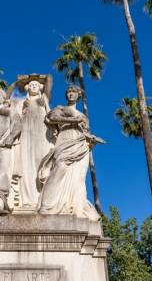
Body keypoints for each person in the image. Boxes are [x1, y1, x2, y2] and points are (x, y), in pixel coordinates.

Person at [36, 86, 103, 220]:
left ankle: (73, 207)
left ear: (78, 96)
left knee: (78, 177)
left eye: (74, 93)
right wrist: (73, 120)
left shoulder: (83, 116)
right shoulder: (60, 108)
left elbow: (85, 132)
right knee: (59, 169)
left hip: (80, 144)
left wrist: (92, 140)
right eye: (69, 92)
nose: (71, 94)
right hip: (65, 140)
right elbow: (53, 118)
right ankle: (47, 206)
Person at [2, 78, 53, 209]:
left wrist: (34, 76)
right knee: (27, 168)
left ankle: (45, 200)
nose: (34, 86)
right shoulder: (21, 103)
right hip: (25, 136)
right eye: (31, 85)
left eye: (36, 85)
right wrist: (15, 83)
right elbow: (5, 100)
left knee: (42, 164)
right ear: (27, 88)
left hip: (43, 136)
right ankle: (28, 201)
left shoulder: (44, 100)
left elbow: (49, 80)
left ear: (40, 87)